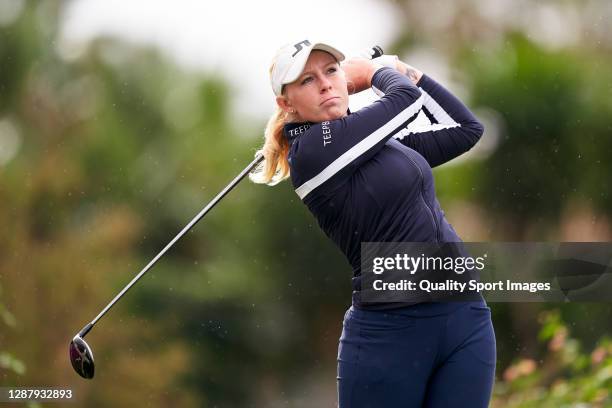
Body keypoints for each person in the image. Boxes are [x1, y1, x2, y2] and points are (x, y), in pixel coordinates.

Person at [251, 39, 496, 407]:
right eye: (306, 80)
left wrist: (407, 72)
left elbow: (465, 129)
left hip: (465, 316)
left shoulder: (380, 143)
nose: (324, 84)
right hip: (390, 333)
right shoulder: (312, 152)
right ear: (286, 105)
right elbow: (405, 102)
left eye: (331, 71)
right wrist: (376, 73)